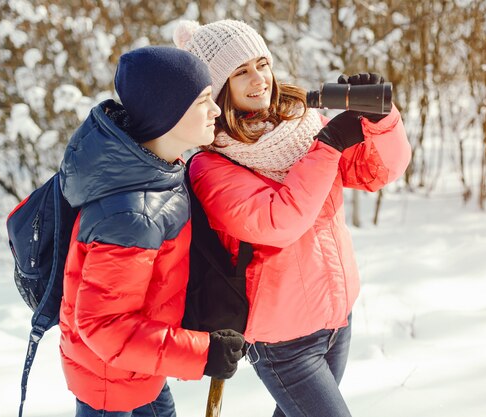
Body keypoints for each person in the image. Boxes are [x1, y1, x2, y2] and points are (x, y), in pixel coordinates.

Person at [174, 20, 411, 417]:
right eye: (240, 72)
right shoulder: (209, 162)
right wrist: (329, 145)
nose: (259, 79)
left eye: (262, 64)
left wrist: (380, 121)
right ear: (217, 89)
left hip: (337, 318)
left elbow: (375, 172)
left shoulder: (300, 127)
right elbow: (277, 221)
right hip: (283, 342)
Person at [58, 46, 245, 417]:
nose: (217, 110)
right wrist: (203, 353)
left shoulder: (157, 171)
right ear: (168, 114)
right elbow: (104, 326)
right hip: (113, 383)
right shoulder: (131, 213)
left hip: (137, 369)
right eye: (204, 100)